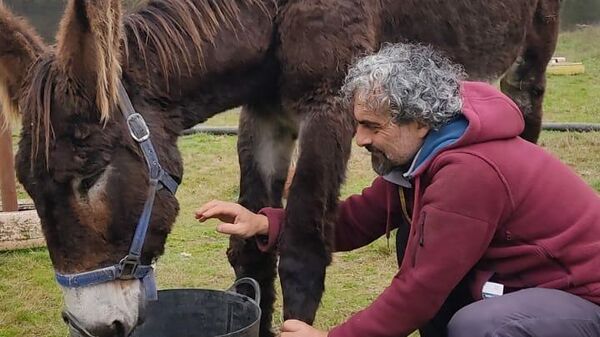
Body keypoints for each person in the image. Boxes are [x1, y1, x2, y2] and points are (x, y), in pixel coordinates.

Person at [196, 43, 600, 337]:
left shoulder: (469, 173)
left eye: (372, 126)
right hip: (528, 282)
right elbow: (356, 220)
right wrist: (269, 225)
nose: (359, 140)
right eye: (358, 124)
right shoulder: (425, 155)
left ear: (420, 122)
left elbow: (420, 288)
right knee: (416, 236)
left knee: (481, 327)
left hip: (584, 296)